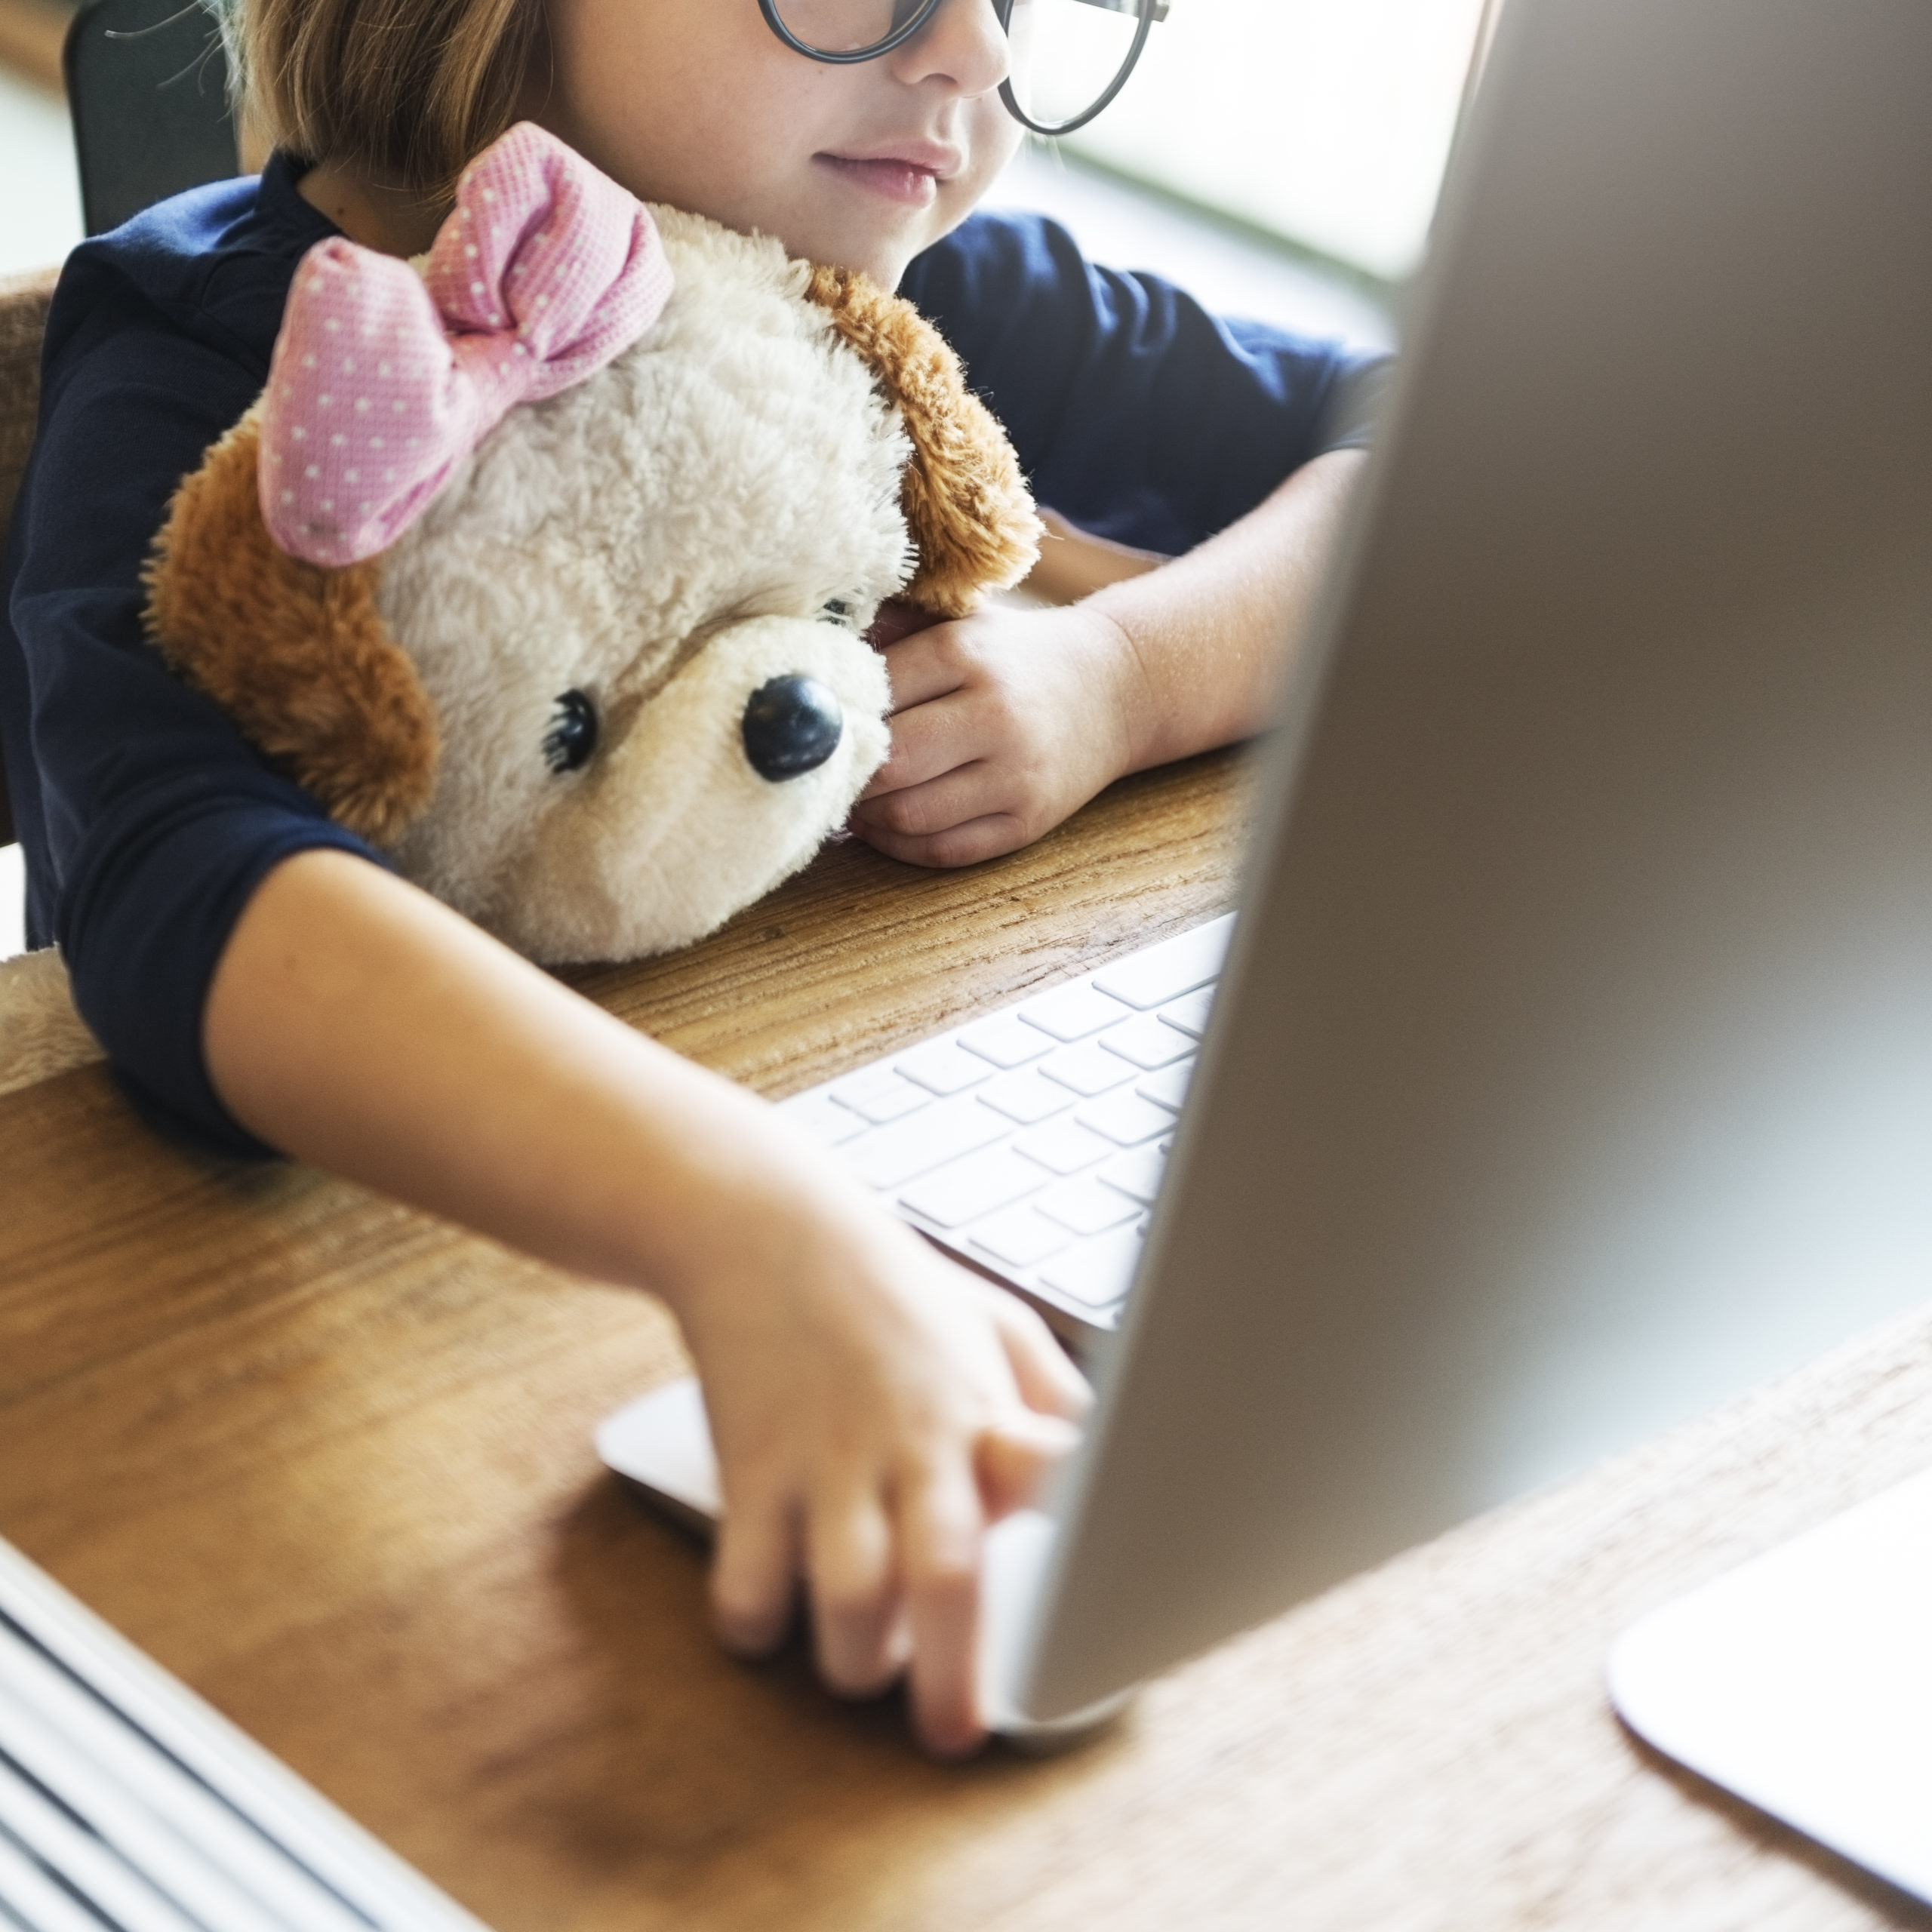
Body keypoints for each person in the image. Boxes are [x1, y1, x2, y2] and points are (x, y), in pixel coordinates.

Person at [0, 0, 1387, 1753]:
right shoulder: (216, 341)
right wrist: (760, 1225)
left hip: (780, 1129)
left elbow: (1433, 444)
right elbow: (171, 890)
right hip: (284, 1336)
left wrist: (1120, 678)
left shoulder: (873, 266)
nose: (967, 50)